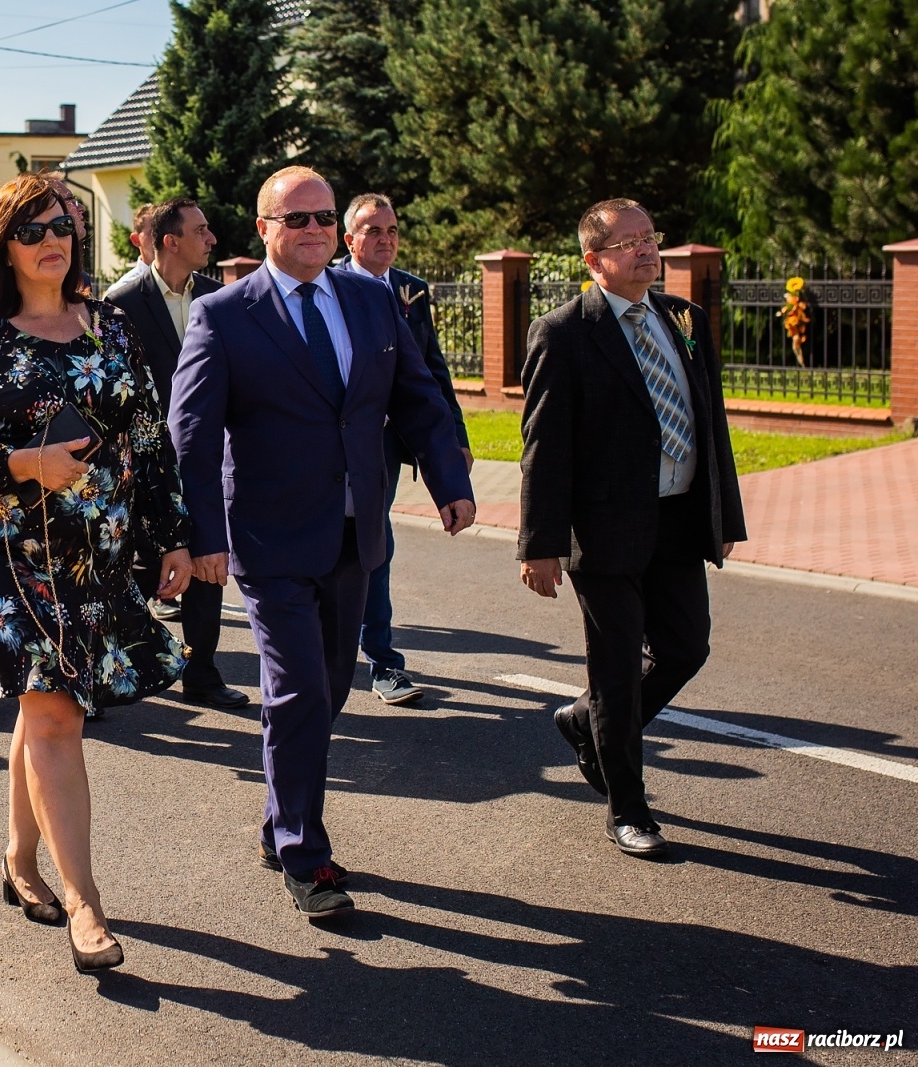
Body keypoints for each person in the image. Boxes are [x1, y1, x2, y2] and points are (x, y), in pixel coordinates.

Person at [171, 166, 475, 919]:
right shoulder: (224, 314)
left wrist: (449, 480)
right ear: (264, 228)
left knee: (329, 687)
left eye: (323, 218)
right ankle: (306, 853)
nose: (312, 229)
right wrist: (202, 535)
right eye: (295, 218)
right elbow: (193, 434)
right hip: (270, 538)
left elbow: (417, 395)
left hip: (354, 529)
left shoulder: (371, 299)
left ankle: (281, 815)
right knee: (302, 688)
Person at [0, 172, 193, 973]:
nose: (54, 239)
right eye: (34, 228)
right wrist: (23, 462)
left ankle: (18, 857)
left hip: (98, 557)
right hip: (11, 562)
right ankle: (87, 903)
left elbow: (148, 436)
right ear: (3, 247)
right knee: (55, 719)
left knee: (45, 713)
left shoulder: (111, 327)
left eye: (64, 225)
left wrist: (172, 535)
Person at [519, 199, 746, 859]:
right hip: (604, 529)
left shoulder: (685, 318)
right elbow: (544, 446)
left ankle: (586, 720)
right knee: (616, 669)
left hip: (677, 518)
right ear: (595, 261)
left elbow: (711, 424)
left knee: (685, 647)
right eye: (629, 243)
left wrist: (722, 516)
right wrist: (541, 544)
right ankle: (629, 807)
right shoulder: (564, 331)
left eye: (651, 239)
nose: (647, 252)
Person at [105, 196, 247, 711]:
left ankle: (202, 673)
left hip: (207, 455)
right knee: (138, 566)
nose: (211, 239)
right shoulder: (121, 303)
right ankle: (109, 668)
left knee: (208, 557)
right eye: (201, 230)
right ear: (170, 241)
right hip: (143, 459)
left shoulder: (217, 296)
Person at [337, 193, 474, 705]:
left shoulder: (410, 290)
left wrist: (454, 439)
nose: (386, 239)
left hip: (390, 442)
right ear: (349, 239)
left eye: (392, 230)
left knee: (376, 543)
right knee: (349, 544)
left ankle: (382, 661)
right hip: (343, 439)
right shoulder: (329, 287)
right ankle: (340, 646)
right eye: (373, 230)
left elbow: (431, 370)